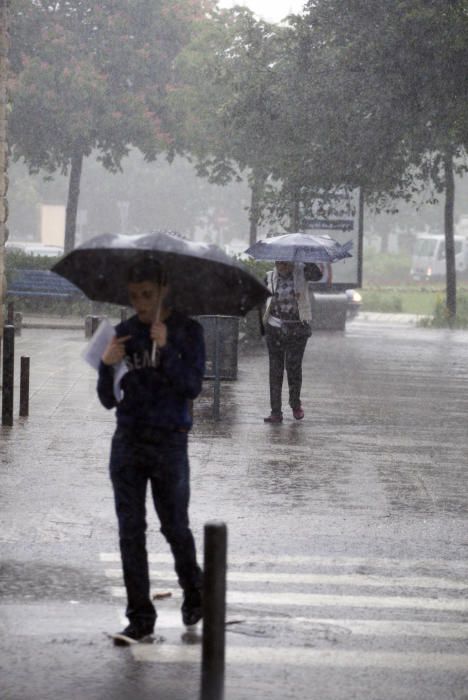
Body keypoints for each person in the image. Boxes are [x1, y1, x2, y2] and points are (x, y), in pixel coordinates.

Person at [97, 259, 205, 645]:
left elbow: (192, 387)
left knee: (174, 525)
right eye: (133, 296)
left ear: (163, 291)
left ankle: (195, 592)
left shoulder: (188, 331)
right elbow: (108, 400)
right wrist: (105, 366)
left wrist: (167, 347)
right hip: (127, 442)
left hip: (170, 441)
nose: (140, 303)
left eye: (147, 295)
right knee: (131, 531)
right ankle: (140, 616)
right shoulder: (121, 335)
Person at [263, 260, 322, 424]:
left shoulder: (302, 272)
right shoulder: (269, 277)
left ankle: (295, 404)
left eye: (286, 263)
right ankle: (276, 412)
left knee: (293, 367)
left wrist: (306, 259)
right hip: (274, 329)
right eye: (279, 263)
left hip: (297, 329)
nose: (282, 267)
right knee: (275, 370)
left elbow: (318, 276)